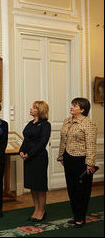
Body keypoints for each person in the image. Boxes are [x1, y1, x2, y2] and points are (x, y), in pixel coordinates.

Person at [57, 97, 98, 228]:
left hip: (82, 160)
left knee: (82, 190)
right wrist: (61, 156)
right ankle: (76, 215)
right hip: (68, 158)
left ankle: (81, 217)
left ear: (82, 109)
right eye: (72, 105)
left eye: (75, 106)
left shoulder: (88, 123)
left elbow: (91, 144)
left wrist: (90, 163)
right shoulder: (67, 121)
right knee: (71, 188)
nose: (71, 107)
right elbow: (63, 140)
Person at [19, 101, 51, 222]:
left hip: (39, 158)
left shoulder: (45, 125)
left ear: (40, 110)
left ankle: (42, 211)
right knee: (32, 185)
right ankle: (36, 209)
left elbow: (42, 143)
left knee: (40, 186)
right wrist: (21, 151)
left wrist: (29, 154)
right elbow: (26, 139)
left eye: (34, 108)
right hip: (28, 158)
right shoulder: (30, 124)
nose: (31, 109)